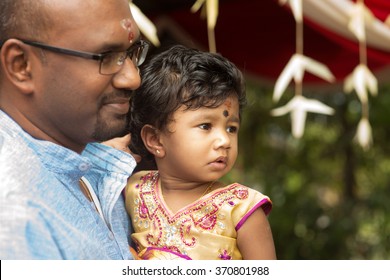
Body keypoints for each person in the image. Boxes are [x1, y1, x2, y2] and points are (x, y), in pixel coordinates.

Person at [0, 0, 149, 259]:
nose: (133, 78)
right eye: (106, 56)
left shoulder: (89, 160)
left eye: (132, 51)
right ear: (21, 65)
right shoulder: (16, 214)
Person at [125, 45, 276, 260]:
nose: (225, 141)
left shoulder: (243, 211)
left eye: (231, 128)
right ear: (155, 139)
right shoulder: (133, 189)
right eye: (206, 126)